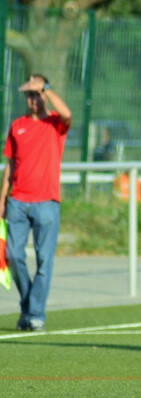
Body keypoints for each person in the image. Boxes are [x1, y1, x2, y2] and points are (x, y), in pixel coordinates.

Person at [1, 74, 72, 332]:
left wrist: (46, 88)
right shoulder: (17, 125)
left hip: (47, 203)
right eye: (29, 95)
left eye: (36, 94)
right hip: (18, 201)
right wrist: (2, 199)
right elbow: (10, 165)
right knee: (13, 255)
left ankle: (34, 314)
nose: (32, 99)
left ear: (44, 94)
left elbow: (67, 113)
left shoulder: (55, 123)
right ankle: (30, 306)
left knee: (44, 261)